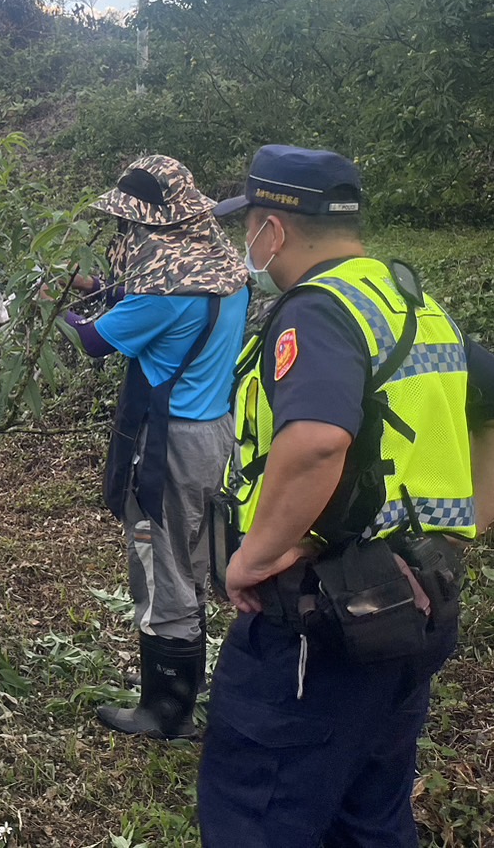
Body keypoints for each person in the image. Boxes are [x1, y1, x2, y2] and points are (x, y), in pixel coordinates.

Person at [197, 144, 494, 847]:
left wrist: (253, 556)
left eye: (249, 226)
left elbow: (318, 441)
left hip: (319, 620)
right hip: (413, 602)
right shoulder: (414, 303)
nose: (248, 244)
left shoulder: (317, 314)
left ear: (272, 226)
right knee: (368, 813)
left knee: (257, 810)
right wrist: (469, 517)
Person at [56, 154, 250, 739]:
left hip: (167, 443)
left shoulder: (164, 296)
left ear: (152, 228)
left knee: (156, 559)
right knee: (186, 558)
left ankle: (166, 712)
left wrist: (52, 309)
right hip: (213, 431)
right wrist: (91, 286)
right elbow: (134, 298)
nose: (126, 237)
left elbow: (92, 340)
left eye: (131, 227)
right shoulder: (225, 271)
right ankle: (184, 692)